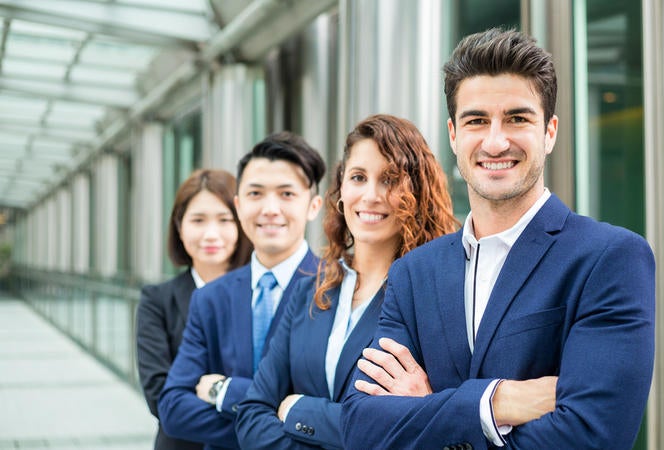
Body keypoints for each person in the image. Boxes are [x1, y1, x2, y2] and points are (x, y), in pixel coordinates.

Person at [341, 28, 656, 450]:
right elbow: (363, 425)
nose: (495, 141)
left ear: (550, 132)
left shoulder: (610, 258)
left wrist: (429, 408)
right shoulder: (413, 273)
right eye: (476, 121)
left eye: (517, 118)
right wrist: (495, 402)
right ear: (453, 135)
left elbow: (591, 435)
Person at [234, 114, 458, 449]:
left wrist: (298, 409)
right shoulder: (309, 289)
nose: (370, 195)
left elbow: (414, 427)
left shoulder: (433, 298)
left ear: (417, 192)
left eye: (389, 179)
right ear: (341, 191)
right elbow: (252, 413)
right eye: (358, 177)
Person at [158, 132, 326, 450]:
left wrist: (224, 391)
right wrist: (276, 422)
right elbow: (173, 409)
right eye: (256, 194)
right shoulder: (210, 298)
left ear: (313, 205)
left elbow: (330, 410)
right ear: (238, 204)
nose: (270, 208)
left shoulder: (336, 289)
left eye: (287, 194)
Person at [137, 169, 253, 450]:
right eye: (198, 220)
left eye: (225, 220)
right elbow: (160, 398)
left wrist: (205, 391)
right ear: (179, 226)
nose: (210, 234)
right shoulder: (157, 300)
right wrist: (259, 425)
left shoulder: (265, 290)